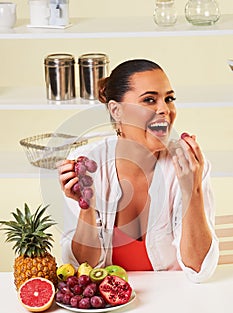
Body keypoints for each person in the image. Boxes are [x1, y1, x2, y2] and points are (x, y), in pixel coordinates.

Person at [58, 58, 219, 283]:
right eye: (149, 100)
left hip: (175, 302)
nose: (165, 109)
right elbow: (83, 270)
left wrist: (192, 189)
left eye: (169, 99)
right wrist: (88, 206)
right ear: (116, 110)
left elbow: (199, 270)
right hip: (109, 308)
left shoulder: (187, 165)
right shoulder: (86, 165)